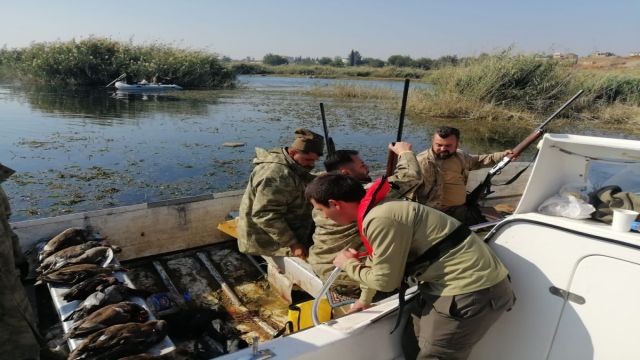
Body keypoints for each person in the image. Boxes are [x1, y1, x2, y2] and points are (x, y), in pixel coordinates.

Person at [305, 173, 515, 359]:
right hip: (450, 286)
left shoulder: (381, 218)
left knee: (436, 354)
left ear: (334, 203)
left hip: (470, 291)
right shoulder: (380, 209)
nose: (323, 216)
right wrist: (364, 300)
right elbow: (377, 260)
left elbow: (386, 282)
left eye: (320, 209)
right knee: (411, 340)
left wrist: (348, 264)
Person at [307, 142, 422, 296]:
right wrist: (404, 152)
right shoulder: (358, 198)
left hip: (321, 264)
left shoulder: (321, 193)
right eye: (362, 165)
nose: (367, 167)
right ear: (345, 173)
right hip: (346, 277)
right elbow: (410, 176)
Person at [237, 128, 324, 259]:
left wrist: (323, 177)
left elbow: (299, 177)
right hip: (265, 240)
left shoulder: (289, 162)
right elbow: (264, 215)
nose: (311, 165)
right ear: (293, 152)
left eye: (314, 161)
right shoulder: (275, 175)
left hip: (285, 227)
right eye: (308, 160)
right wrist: (293, 244)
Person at [415, 126, 514, 225]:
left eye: (448, 146)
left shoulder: (460, 156)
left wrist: (503, 156)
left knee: (490, 226)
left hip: (461, 208)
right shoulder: (422, 162)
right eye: (439, 145)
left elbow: (479, 161)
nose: (443, 149)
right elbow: (407, 185)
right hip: (436, 214)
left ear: (457, 144)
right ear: (432, 142)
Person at [0, 163, 41, 359]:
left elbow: (4, 225)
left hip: (8, 272)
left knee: (23, 321)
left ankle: (39, 350)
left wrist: (18, 257)